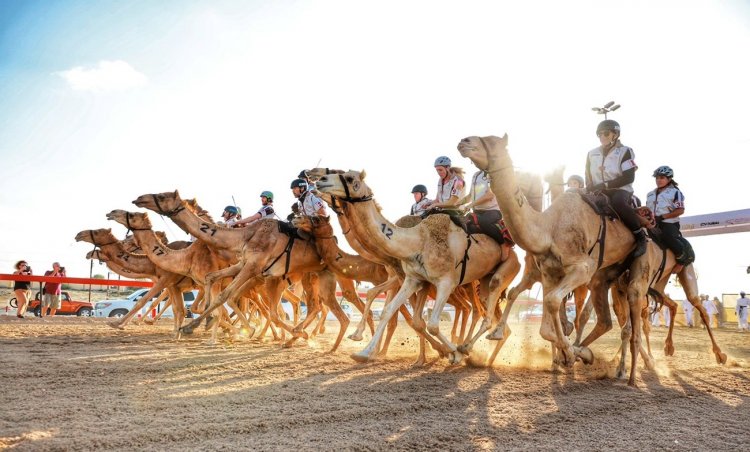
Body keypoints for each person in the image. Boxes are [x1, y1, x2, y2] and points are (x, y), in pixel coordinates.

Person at [585, 119, 647, 257]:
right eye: (599, 135)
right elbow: (587, 175)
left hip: (621, 190)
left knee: (618, 203)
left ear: (615, 134)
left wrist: (606, 185)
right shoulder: (591, 153)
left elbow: (629, 177)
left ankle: (640, 236)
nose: (602, 137)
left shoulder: (625, 151)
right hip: (597, 190)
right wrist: (589, 186)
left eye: (605, 134)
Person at [646, 165, 688, 271]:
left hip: (670, 223)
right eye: (657, 178)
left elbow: (680, 210)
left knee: (666, 236)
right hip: (652, 223)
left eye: (662, 178)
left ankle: (682, 258)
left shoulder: (676, 192)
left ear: (669, 179)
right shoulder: (650, 194)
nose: (658, 180)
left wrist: (663, 217)